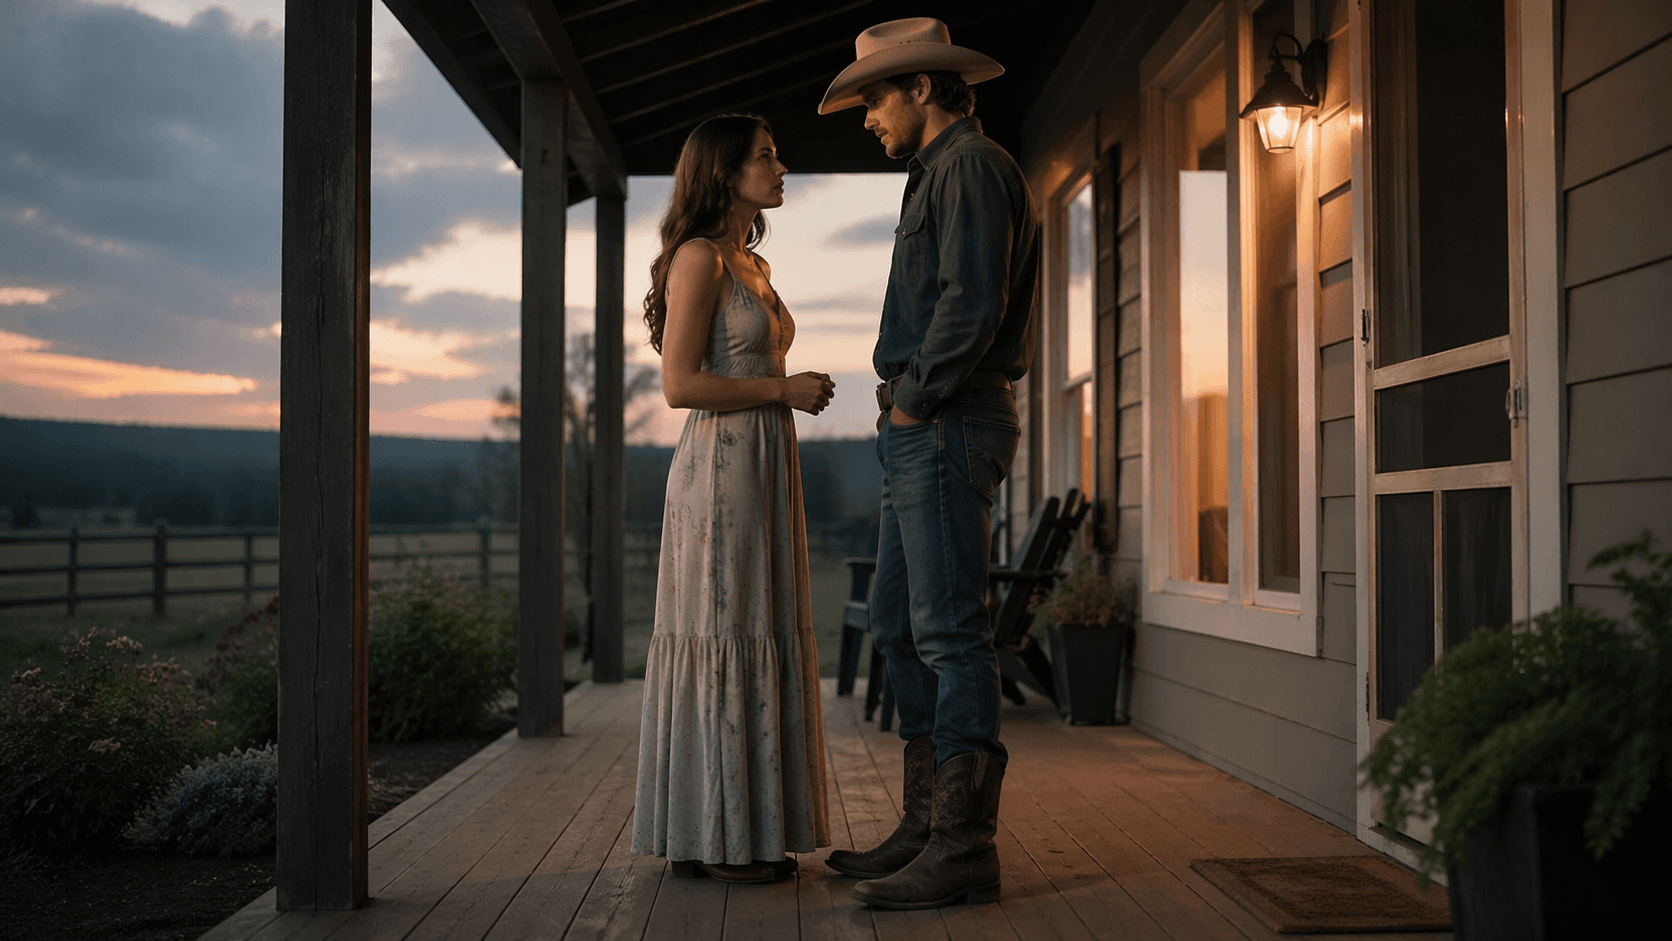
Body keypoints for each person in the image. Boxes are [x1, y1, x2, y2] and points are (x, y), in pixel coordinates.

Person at [815, 18, 1039, 910]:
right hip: (922, 420)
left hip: (946, 416)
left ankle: (963, 846)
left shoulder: (972, 167)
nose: (867, 116)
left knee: (949, 631)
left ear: (918, 88)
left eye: (874, 97)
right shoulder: (937, 174)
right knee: (899, 629)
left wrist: (914, 397)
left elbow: (971, 301)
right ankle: (923, 823)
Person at [631, 114, 835, 884]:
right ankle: (719, 835)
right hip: (720, 474)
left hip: (764, 467)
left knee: (756, 623)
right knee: (724, 626)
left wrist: (785, 391)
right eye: (765, 157)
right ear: (723, 173)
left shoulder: (751, 264)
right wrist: (781, 387)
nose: (780, 167)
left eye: (776, 155)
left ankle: (708, 829)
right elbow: (680, 384)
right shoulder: (698, 259)